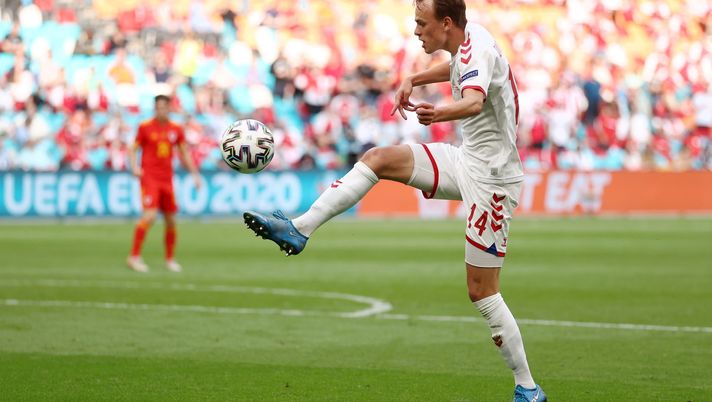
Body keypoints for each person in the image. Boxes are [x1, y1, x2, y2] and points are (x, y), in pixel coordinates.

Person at [243, 1, 546, 400]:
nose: (416, 30)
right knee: (379, 159)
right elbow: (459, 73)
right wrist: (414, 77)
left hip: (493, 180)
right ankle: (299, 229)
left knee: (481, 290)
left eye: (422, 23)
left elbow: (473, 100)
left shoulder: (479, 49)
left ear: (447, 23)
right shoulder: (467, 47)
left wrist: (437, 114)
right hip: (466, 160)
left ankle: (527, 387)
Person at [127, 95, 201, 273]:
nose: (161, 110)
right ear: (155, 109)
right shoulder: (145, 127)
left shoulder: (176, 129)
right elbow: (133, 149)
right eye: (158, 107)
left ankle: (169, 259)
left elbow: (184, 153)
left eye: (164, 107)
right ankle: (134, 256)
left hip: (167, 179)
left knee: (171, 220)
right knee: (150, 216)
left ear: (169, 108)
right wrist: (135, 167)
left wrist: (195, 174)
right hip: (150, 177)